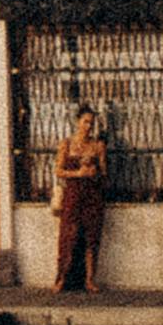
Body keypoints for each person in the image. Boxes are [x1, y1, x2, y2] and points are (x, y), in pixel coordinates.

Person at [52, 105, 112, 291]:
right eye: (85, 122)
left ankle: (90, 279)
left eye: (91, 123)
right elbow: (58, 170)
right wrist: (78, 173)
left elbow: (104, 172)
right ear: (78, 121)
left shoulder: (98, 146)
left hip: (92, 194)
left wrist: (96, 173)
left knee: (91, 237)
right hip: (73, 193)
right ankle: (62, 278)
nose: (88, 126)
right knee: (68, 235)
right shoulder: (66, 144)